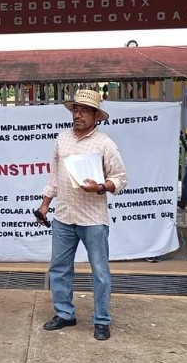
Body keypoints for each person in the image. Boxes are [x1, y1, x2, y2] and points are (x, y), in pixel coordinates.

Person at [36, 89, 127, 341]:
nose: (78, 115)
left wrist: (100, 187)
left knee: (99, 271)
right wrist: (45, 204)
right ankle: (65, 314)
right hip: (63, 216)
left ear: (96, 115)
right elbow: (55, 176)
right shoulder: (62, 139)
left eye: (84, 111)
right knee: (59, 268)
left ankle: (101, 320)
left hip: (93, 219)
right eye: (75, 110)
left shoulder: (105, 144)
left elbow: (120, 179)